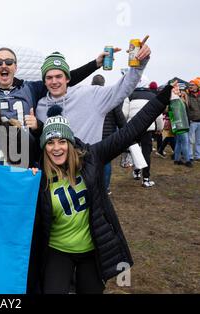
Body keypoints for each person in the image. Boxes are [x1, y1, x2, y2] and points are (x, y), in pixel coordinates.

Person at [29, 82, 176, 294]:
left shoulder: (91, 158)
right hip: (57, 250)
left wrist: (163, 98)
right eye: (50, 143)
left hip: (91, 249)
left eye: (62, 141)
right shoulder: (39, 176)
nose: (56, 148)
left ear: (71, 143)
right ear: (44, 147)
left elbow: (131, 130)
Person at [35, 36, 151, 145]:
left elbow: (123, 88)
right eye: (49, 77)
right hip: (52, 165)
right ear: (44, 82)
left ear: (67, 79)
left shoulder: (90, 95)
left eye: (59, 76)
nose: (54, 81)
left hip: (86, 164)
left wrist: (139, 64)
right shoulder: (40, 106)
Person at [122, 80, 163, 187]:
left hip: (133, 127)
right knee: (146, 153)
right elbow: (158, 114)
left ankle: (136, 172)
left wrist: (125, 126)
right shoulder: (153, 96)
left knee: (135, 151)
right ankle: (146, 179)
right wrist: (159, 127)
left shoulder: (129, 95)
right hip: (148, 128)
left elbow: (124, 114)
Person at [93, 74, 127, 194]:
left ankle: (94, 186)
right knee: (106, 162)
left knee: (92, 161)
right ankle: (105, 188)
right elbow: (120, 117)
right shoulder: (110, 97)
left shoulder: (88, 97)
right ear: (103, 84)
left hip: (93, 135)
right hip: (108, 136)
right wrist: (126, 132)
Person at [185, 80, 200, 162]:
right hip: (192, 121)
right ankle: (190, 156)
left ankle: (198, 156)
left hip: (199, 121)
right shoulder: (187, 95)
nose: (191, 86)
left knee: (199, 141)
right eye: (190, 85)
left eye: (193, 85)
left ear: (197, 86)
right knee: (190, 140)